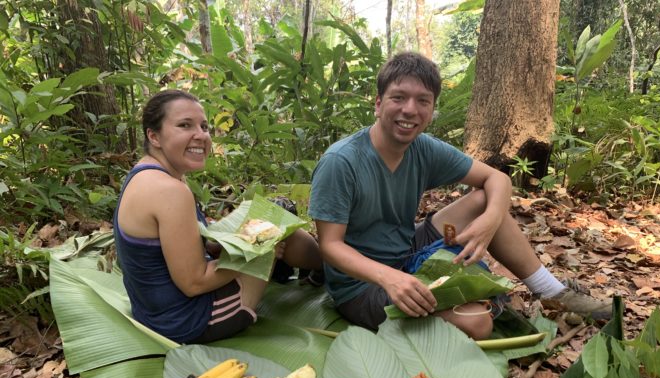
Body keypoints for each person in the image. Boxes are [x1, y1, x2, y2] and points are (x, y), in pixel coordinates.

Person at [308, 52, 611, 340]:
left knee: (484, 201)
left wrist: (491, 221)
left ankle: (553, 292)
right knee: (478, 323)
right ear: (378, 103)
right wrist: (389, 278)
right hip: (361, 286)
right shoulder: (342, 162)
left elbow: (497, 179)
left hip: (406, 249)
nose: (410, 110)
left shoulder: (423, 148)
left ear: (430, 110)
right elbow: (330, 246)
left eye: (422, 101)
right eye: (398, 98)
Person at [114, 89, 321, 344]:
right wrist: (256, 255)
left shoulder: (145, 173)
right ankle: (331, 266)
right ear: (154, 136)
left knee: (272, 220)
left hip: (153, 312)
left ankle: (324, 265)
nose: (200, 135)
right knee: (276, 233)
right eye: (184, 125)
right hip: (187, 320)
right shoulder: (169, 190)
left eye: (204, 126)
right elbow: (194, 282)